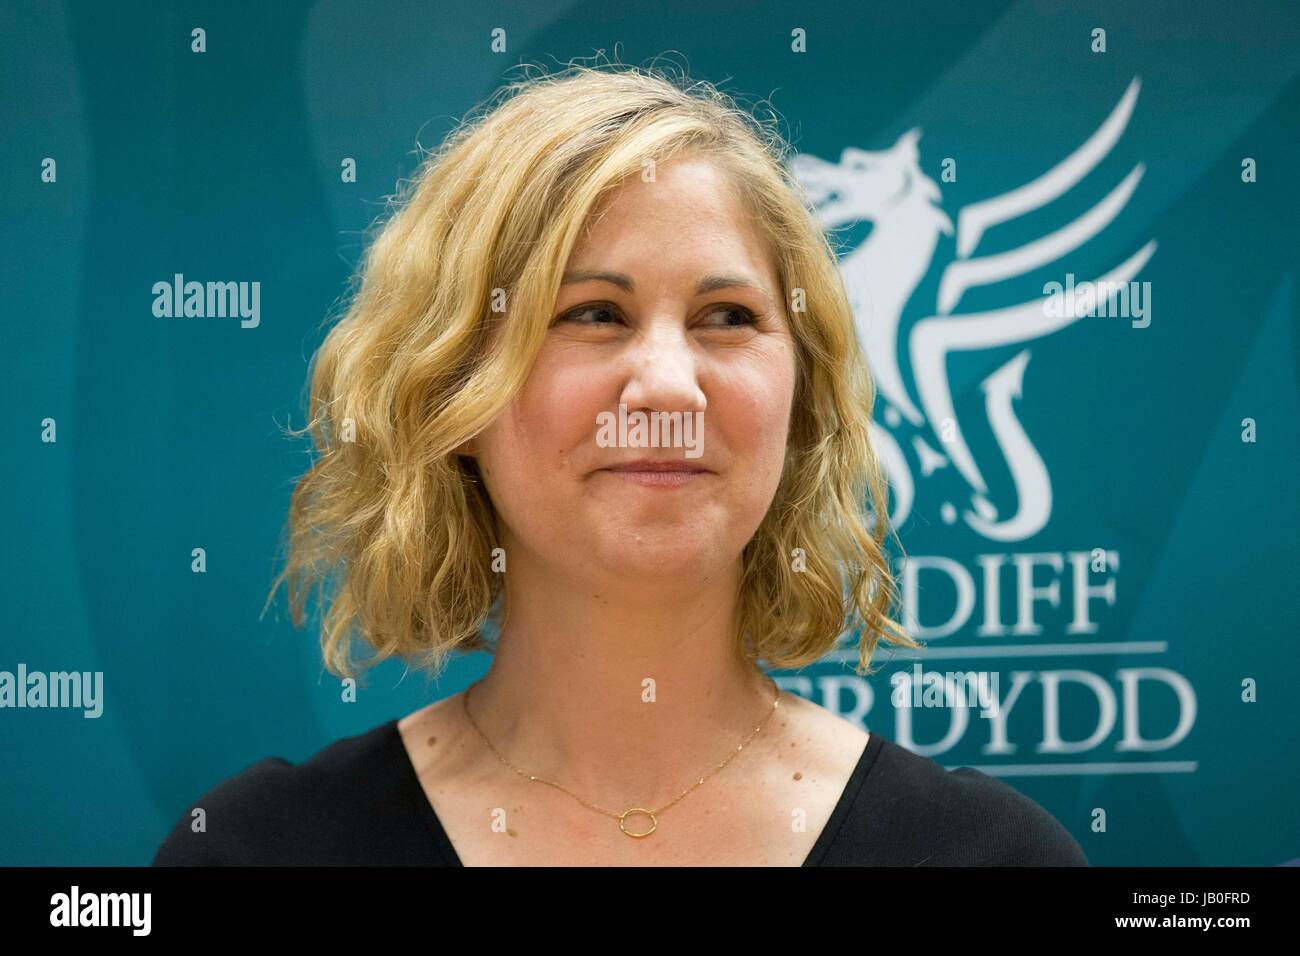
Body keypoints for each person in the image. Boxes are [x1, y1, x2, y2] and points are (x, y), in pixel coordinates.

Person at [153, 61, 1087, 867]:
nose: (671, 388)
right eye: (593, 313)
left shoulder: (991, 858)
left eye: (729, 318)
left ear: (801, 400)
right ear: (452, 395)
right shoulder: (259, 852)